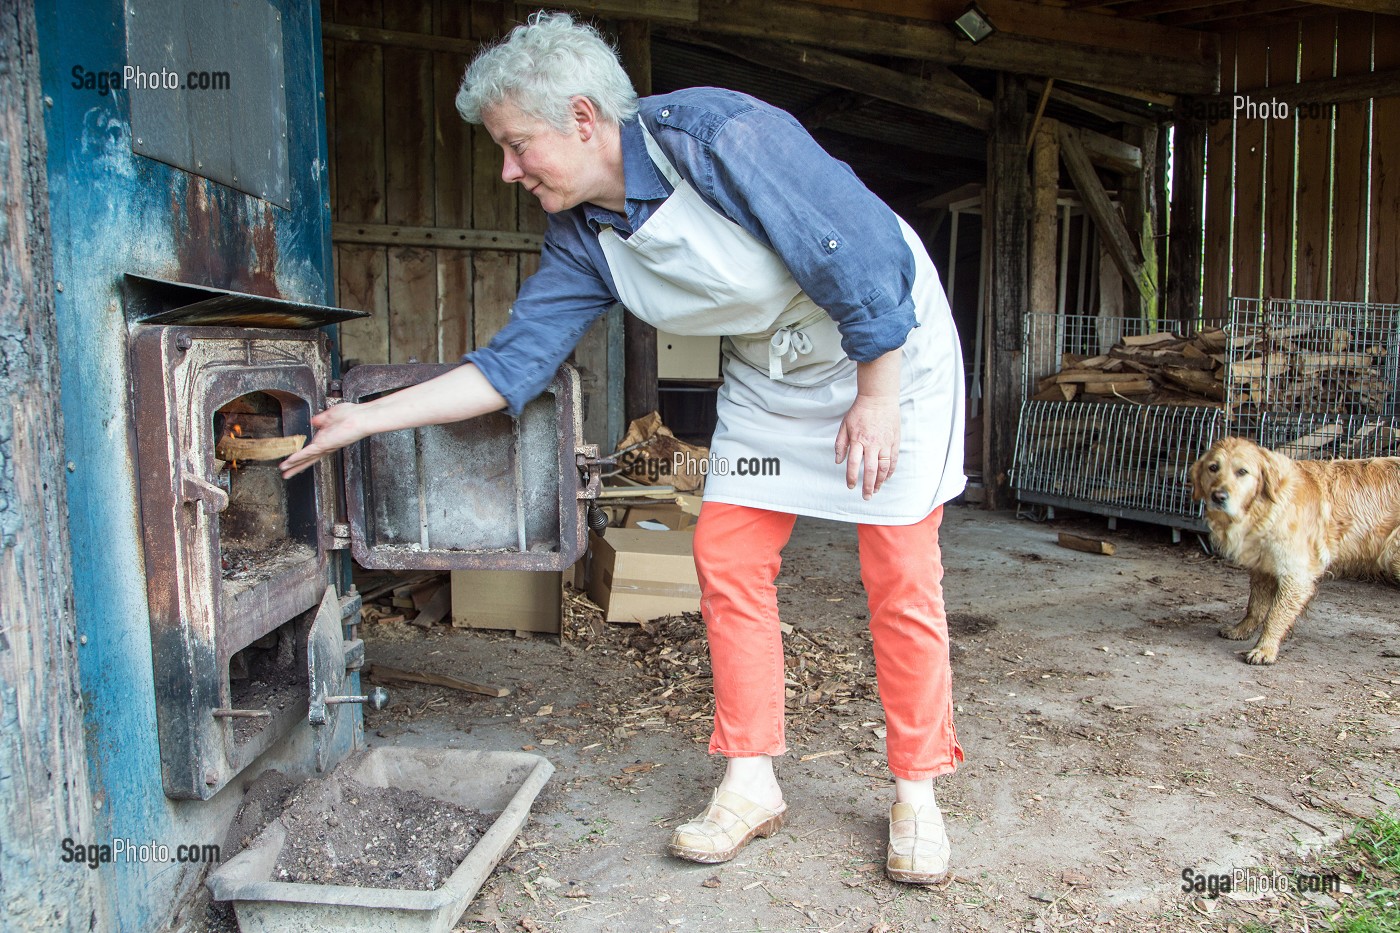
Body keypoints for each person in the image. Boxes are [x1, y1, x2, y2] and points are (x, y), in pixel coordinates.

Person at [280, 11, 965, 885]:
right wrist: (367, 417)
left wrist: (878, 395)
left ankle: (917, 793)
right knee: (726, 550)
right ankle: (751, 779)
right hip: (772, 378)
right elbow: (511, 366)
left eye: (517, 145)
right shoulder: (581, 233)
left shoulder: (718, 136)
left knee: (898, 568)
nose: (507, 170)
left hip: (887, 346)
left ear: (581, 116)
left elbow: (862, 248)